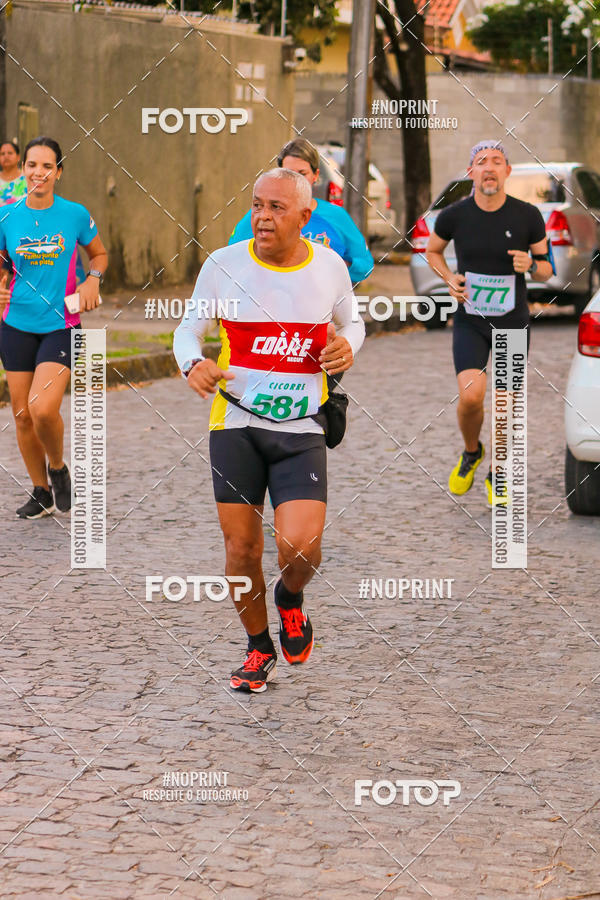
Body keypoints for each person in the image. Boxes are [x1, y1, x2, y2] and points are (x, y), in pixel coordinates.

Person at [173, 167, 365, 693]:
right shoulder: (224, 265)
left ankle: (290, 599)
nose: (262, 216)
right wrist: (192, 362)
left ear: (306, 216)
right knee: (240, 551)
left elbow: (354, 322)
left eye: (277, 208)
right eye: (257, 204)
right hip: (235, 422)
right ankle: (258, 648)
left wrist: (350, 344)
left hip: (301, 426)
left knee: (300, 550)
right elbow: (188, 326)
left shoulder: (327, 267)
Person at [425, 140, 553, 506]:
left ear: (507, 171)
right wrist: (449, 278)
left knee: (505, 404)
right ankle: (471, 452)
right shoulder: (454, 215)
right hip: (471, 323)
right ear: (471, 174)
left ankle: (499, 473)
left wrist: (532, 267)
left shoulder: (528, 215)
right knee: (470, 397)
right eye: (482, 162)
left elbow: (548, 269)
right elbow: (433, 252)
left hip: (513, 323)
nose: (490, 167)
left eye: (497, 161)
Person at [0, 136, 108, 519]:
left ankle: (58, 468)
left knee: (42, 408)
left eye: (47, 166)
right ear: (23, 169)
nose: (38, 173)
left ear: (58, 172)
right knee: (22, 414)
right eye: (32, 165)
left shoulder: (75, 215)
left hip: (61, 322)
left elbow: (99, 253)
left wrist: (92, 279)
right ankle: (41, 490)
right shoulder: (6, 217)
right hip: (15, 323)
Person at [228, 138, 374, 284]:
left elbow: (365, 265)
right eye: (288, 174)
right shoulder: (260, 216)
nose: (295, 181)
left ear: (315, 175)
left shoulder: (336, 216)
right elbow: (232, 258)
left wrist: (337, 264)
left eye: (302, 174)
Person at [0, 141, 27, 206]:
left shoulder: (28, 178)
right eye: (2, 154)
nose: (6, 156)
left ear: (18, 157)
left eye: (10, 153)